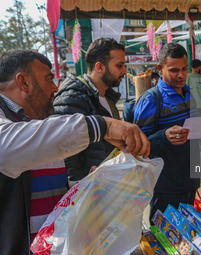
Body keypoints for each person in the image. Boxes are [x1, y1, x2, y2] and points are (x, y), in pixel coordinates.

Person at [0, 49, 150, 255]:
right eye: (49, 79)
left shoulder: (38, 121)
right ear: (23, 82)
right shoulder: (11, 125)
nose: (55, 87)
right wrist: (102, 126)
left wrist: (86, 188)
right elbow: (7, 149)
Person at [134, 43, 200, 224]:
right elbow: (137, 147)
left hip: (191, 181)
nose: (181, 75)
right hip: (165, 187)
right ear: (160, 69)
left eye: (185, 68)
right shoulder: (151, 100)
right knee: (164, 242)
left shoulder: (190, 94)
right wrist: (163, 136)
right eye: (174, 70)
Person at [53, 37, 126, 182]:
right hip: (87, 187)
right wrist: (76, 183)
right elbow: (65, 146)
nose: (124, 71)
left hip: (107, 181)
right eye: (119, 65)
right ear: (99, 67)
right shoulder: (74, 96)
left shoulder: (109, 97)